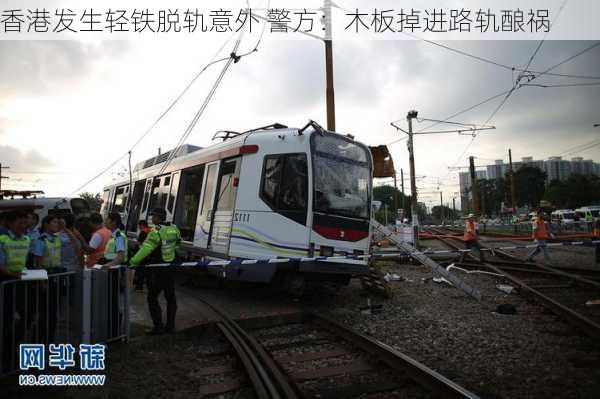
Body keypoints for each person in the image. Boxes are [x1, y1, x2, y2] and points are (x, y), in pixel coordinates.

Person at [130, 208, 181, 335]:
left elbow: (146, 249)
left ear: (158, 218)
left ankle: (158, 327)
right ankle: (170, 327)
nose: (152, 219)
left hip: (160, 269)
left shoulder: (156, 231)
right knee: (171, 297)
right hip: (171, 267)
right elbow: (178, 244)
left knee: (152, 297)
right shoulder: (174, 228)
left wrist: (133, 261)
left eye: (153, 216)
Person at [0, 211, 33, 372]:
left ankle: (11, 347)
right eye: (20, 223)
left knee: (28, 314)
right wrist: (15, 275)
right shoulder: (2, 240)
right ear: (10, 224)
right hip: (5, 283)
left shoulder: (27, 239)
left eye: (24, 223)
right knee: (5, 320)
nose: (23, 226)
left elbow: (24, 260)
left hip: (20, 282)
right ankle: (6, 356)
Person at [133, 220, 151, 291]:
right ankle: (148, 286)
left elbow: (139, 243)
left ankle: (139, 287)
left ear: (142, 225)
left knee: (140, 271)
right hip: (148, 253)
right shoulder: (150, 231)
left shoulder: (143, 232)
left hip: (142, 253)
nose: (139, 227)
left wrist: (136, 242)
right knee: (147, 271)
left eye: (139, 226)